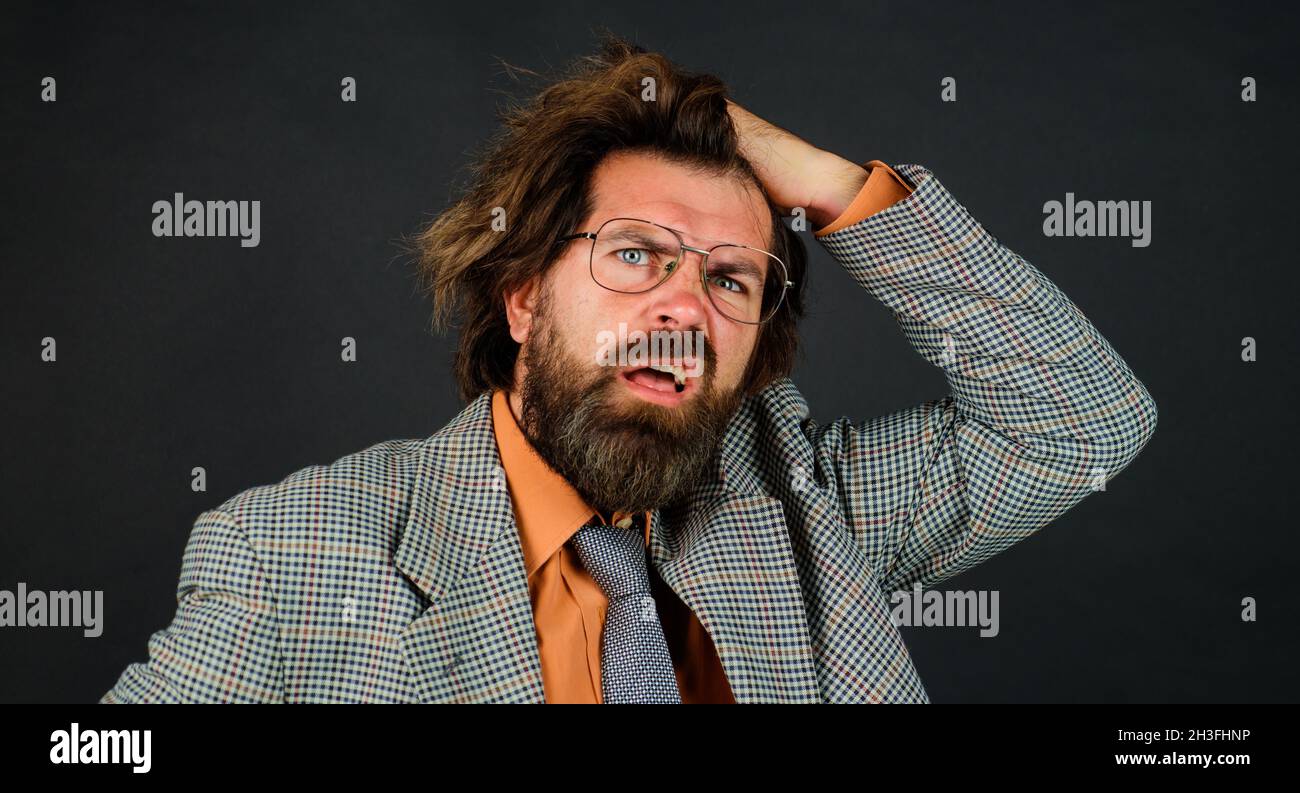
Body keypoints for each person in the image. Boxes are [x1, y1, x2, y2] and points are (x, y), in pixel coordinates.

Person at [101, 35, 1157, 704]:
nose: (684, 304)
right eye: (636, 253)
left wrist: (826, 187)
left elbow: (1081, 421)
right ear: (522, 296)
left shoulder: (801, 506)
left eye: (731, 280)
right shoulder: (291, 555)